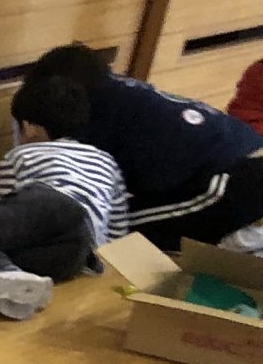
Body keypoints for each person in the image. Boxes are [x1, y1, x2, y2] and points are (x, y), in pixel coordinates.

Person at [0, 71, 129, 321]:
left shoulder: (21, 155)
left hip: (52, 204)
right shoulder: (105, 160)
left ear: (28, 127)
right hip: (78, 255)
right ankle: (14, 286)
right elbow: (117, 233)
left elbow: (2, 220)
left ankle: (4, 273)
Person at [20, 41, 263, 252]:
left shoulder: (93, 114)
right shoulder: (123, 92)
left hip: (232, 176)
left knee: (120, 237)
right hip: (239, 158)